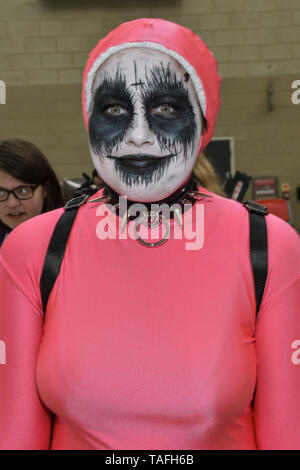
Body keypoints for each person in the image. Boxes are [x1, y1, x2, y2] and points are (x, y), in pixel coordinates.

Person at [0, 19, 299, 450]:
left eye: (165, 109)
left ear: (203, 121)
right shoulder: (33, 249)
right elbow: (16, 437)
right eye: (116, 110)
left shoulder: (267, 245)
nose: (138, 136)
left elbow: (288, 436)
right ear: (89, 119)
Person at [0, 138, 64, 247]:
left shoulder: (74, 239)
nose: (12, 203)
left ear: (45, 189)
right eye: (1, 193)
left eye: (23, 191)